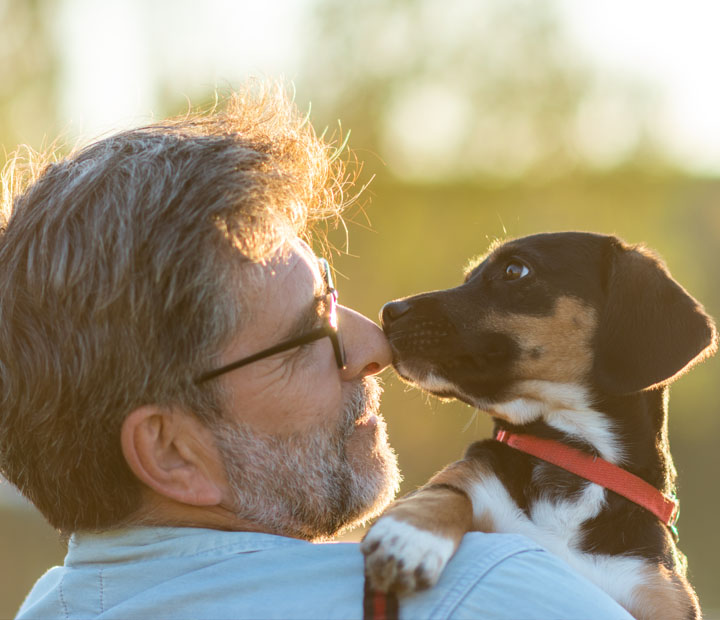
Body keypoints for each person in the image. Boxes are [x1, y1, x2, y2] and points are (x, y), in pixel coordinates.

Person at [0, 81, 632, 619]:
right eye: (309, 333)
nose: (373, 345)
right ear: (170, 451)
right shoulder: (479, 594)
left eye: (331, 292)